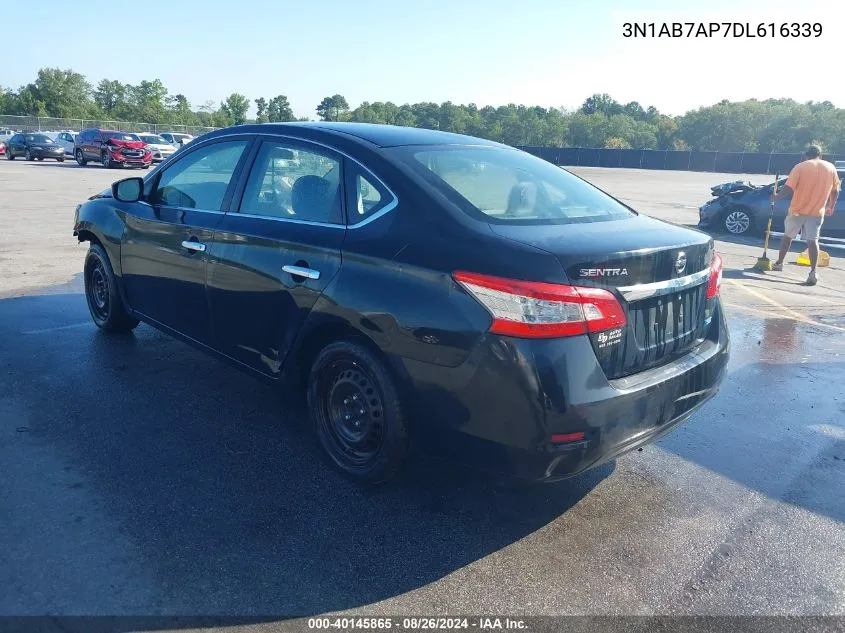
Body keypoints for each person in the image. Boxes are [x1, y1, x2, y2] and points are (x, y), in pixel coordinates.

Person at [771, 145, 840, 285]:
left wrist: (776, 196)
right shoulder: (831, 168)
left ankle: (779, 263)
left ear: (806, 155)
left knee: (788, 237)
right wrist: (831, 206)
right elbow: (835, 190)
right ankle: (813, 272)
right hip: (817, 211)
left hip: (797, 210)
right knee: (813, 240)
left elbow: (788, 188)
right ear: (820, 155)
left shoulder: (800, 167)